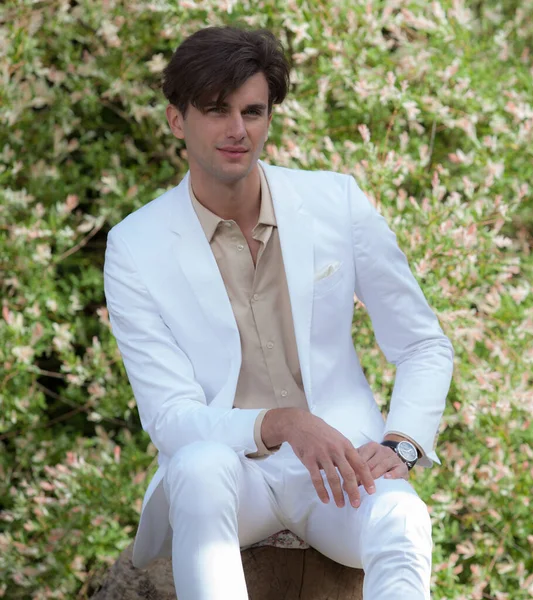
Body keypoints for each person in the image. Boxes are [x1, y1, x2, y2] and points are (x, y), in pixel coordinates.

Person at [103, 25, 454, 600]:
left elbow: (423, 344)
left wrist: (404, 443)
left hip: (340, 475)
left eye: (253, 111)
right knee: (195, 469)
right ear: (176, 120)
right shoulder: (134, 245)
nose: (237, 130)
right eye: (216, 110)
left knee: (405, 522)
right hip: (232, 479)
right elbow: (170, 418)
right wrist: (280, 422)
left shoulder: (336, 202)